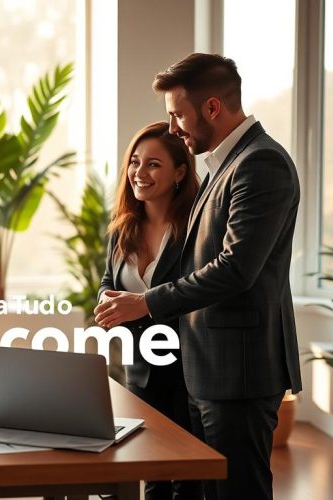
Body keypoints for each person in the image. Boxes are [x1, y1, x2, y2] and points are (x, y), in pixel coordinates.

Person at [94, 53, 302, 500]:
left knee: (237, 493)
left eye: (177, 115)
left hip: (239, 371)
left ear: (211, 108)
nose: (172, 128)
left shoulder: (260, 163)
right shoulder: (222, 167)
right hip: (207, 368)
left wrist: (145, 302)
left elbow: (235, 269)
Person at [98, 121, 201, 500]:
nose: (140, 173)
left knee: (186, 478)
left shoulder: (195, 228)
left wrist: (137, 308)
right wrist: (107, 300)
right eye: (135, 162)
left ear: (179, 171)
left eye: (154, 164)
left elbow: (196, 293)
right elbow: (109, 281)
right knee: (150, 470)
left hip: (188, 369)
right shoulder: (122, 229)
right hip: (140, 368)